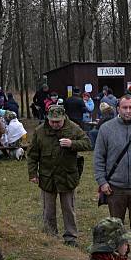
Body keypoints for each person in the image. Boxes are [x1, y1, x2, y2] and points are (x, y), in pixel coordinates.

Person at [94, 94, 131, 260]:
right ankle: (117, 259)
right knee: (116, 227)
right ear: (118, 109)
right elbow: (98, 158)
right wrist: (102, 182)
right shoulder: (106, 129)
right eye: (124, 107)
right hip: (115, 188)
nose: (128, 111)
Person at [27, 104, 91, 246]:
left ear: (64, 119)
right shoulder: (40, 131)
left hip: (67, 176)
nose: (55, 124)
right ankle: (51, 236)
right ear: (48, 119)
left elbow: (87, 143)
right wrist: (33, 173)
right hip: (47, 177)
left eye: (58, 122)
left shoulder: (73, 128)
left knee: (68, 208)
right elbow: (32, 155)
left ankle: (71, 237)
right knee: (48, 210)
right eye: (52, 121)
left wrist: (72, 144)